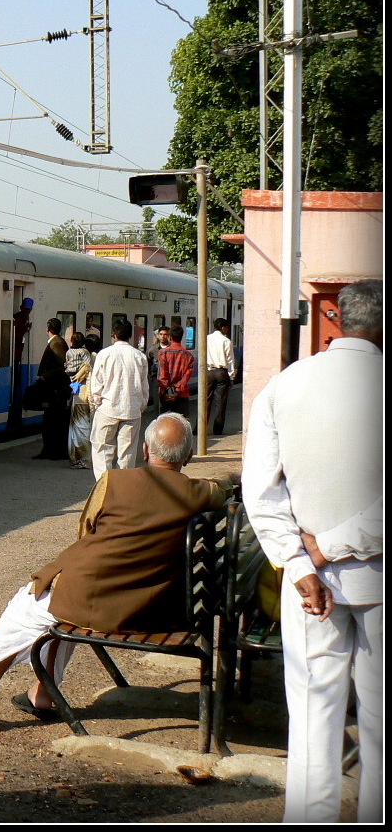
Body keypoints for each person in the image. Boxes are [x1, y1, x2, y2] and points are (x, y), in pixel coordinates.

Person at [0, 413, 235, 730]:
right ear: (188, 456)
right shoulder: (201, 494)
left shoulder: (114, 482)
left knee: (26, 611)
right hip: (149, 612)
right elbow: (223, 488)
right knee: (64, 606)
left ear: (144, 450)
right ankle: (42, 694)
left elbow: (86, 530)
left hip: (93, 603)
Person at [241, 279, 382, 823]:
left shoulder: (283, 386)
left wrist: (301, 561)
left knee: (312, 711)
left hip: (309, 588)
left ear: (336, 322)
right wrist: (334, 546)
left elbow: (261, 490)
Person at [87, 317, 150, 480]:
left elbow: (96, 385)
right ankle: (124, 488)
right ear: (129, 336)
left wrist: (96, 405)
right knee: (127, 453)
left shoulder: (104, 354)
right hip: (131, 411)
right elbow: (144, 387)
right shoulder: (140, 356)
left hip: (107, 409)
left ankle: (105, 487)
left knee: (102, 450)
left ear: (113, 335)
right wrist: (139, 406)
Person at [33, 318, 69, 461]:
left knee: (52, 421)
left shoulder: (56, 344)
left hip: (55, 390)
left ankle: (54, 451)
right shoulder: (57, 342)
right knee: (51, 421)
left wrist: (45, 376)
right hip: (55, 389)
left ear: (48, 329)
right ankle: (49, 450)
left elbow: (62, 366)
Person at [64, 333, 93, 470]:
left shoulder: (69, 353)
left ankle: (83, 458)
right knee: (83, 425)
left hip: (77, 392)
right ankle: (84, 457)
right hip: (84, 391)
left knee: (78, 425)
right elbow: (88, 368)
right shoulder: (86, 354)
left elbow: (68, 369)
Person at [205, 318, 237, 436]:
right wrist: (232, 376)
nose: (227, 329)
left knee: (205, 400)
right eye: (226, 327)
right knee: (220, 402)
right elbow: (230, 360)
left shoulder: (206, 339)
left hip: (208, 372)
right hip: (221, 373)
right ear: (223, 327)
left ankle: (200, 428)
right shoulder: (226, 341)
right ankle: (217, 429)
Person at [157, 327, 195, 419]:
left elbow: (162, 376)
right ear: (181, 337)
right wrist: (176, 391)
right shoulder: (189, 355)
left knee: (165, 423)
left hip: (165, 394)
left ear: (169, 337)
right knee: (182, 423)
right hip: (182, 395)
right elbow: (186, 377)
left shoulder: (163, 353)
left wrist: (168, 392)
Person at [145, 325, 171, 420]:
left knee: (169, 402)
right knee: (157, 403)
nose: (163, 337)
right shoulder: (153, 349)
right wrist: (149, 373)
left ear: (169, 336)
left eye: (165, 334)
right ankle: (158, 421)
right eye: (161, 334)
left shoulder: (172, 348)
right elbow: (148, 360)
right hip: (157, 379)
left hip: (170, 380)